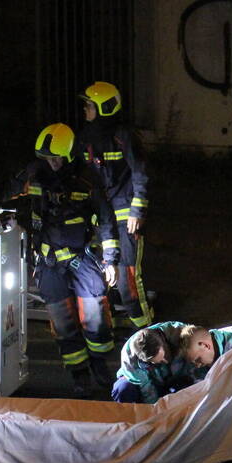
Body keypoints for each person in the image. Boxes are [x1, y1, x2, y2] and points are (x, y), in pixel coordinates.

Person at [13, 124, 120, 397]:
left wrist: (110, 260)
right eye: (48, 158)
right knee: (63, 324)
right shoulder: (35, 175)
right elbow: (9, 191)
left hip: (82, 260)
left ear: (70, 155)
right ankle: (79, 374)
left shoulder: (86, 180)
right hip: (49, 263)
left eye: (58, 158)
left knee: (95, 317)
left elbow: (106, 219)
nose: (53, 163)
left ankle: (99, 366)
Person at [75, 81, 152, 329]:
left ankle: (147, 333)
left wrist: (137, 209)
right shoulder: (85, 137)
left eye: (89, 106)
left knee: (128, 278)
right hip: (102, 217)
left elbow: (140, 171)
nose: (85, 110)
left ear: (103, 107)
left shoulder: (124, 136)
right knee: (102, 274)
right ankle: (107, 329)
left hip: (126, 213)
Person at [112, 320, 197, 403]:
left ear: (162, 343)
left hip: (179, 377)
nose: (165, 361)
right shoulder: (131, 362)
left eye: (164, 356)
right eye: (157, 361)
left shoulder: (181, 333)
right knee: (123, 388)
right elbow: (147, 390)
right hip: (153, 383)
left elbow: (205, 344)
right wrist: (154, 410)